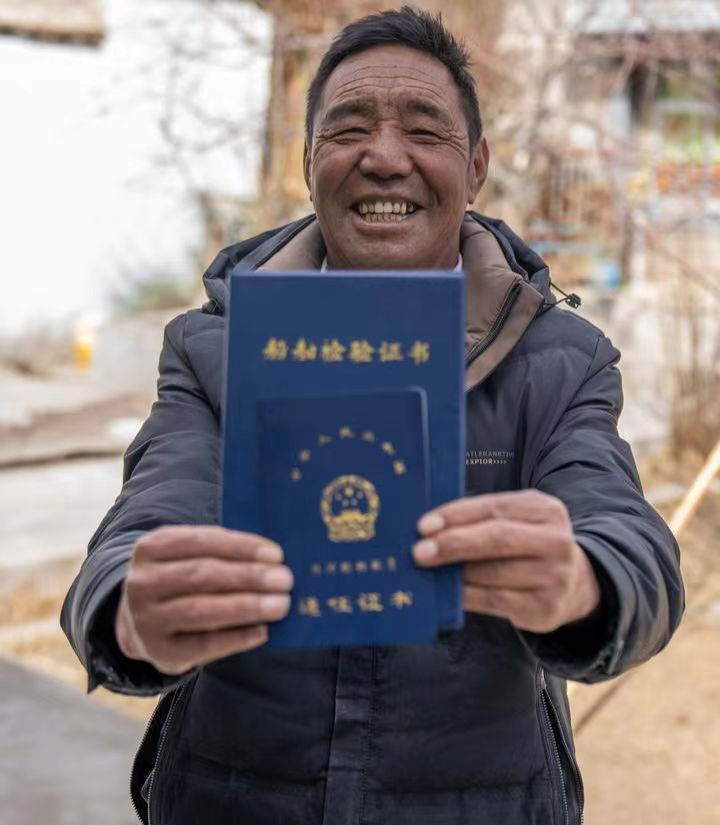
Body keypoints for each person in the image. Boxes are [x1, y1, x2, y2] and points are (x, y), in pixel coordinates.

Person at [61, 7, 684, 824]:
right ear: (308, 161)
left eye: (425, 131)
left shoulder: (559, 360)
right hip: (231, 797)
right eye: (348, 129)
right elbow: (136, 531)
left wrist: (582, 581)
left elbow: (633, 545)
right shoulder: (214, 349)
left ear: (477, 165)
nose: (385, 158)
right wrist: (130, 612)